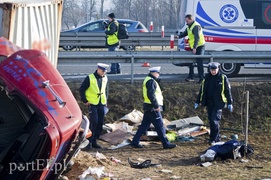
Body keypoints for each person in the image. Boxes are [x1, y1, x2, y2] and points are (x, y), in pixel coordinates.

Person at [130, 66, 177, 149]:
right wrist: (156, 106)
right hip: (153, 107)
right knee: (160, 126)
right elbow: (151, 95)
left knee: (144, 126)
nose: (159, 74)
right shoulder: (151, 81)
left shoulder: (149, 80)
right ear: (154, 73)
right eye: (158, 73)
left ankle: (135, 141)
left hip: (148, 106)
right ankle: (166, 143)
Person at [194, 62, 233, 145]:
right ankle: (217, 137)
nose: (213, 72)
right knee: (212, 121)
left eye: (215, 70)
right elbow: (202, 90)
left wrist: (230, 102)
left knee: (214, 120)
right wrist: (198, 101)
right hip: (209, 102)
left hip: (218, 103)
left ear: (218, 69)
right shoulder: (207, 78)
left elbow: (227, 91)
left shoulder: (222, 78)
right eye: (212, 70)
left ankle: (213, 139)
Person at [79, 63, 109, 149]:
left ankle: (94, 141)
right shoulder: (90, 78)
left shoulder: (105, 78)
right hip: (92, 103)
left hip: (101, 103)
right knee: (94, 122)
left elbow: (105, 90)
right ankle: (89, 142)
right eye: (103, 71)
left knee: (100, 123)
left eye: (105, 71)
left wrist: (105, 100)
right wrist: (84, 100)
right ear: (98, 69)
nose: (104, 73)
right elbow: (82, 89)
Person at [175, 14, 205, 83]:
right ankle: (191, 76)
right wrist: (178, 36)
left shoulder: (196, 26)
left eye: (187, 21)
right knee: (191, 62)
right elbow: (185, 33)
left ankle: (202, 78)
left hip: (200, 46)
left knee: (199, 62)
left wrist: (194, 47)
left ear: (191, 20)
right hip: (193, 46)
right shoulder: (189, 26)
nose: (186, 22)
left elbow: (197, 38)